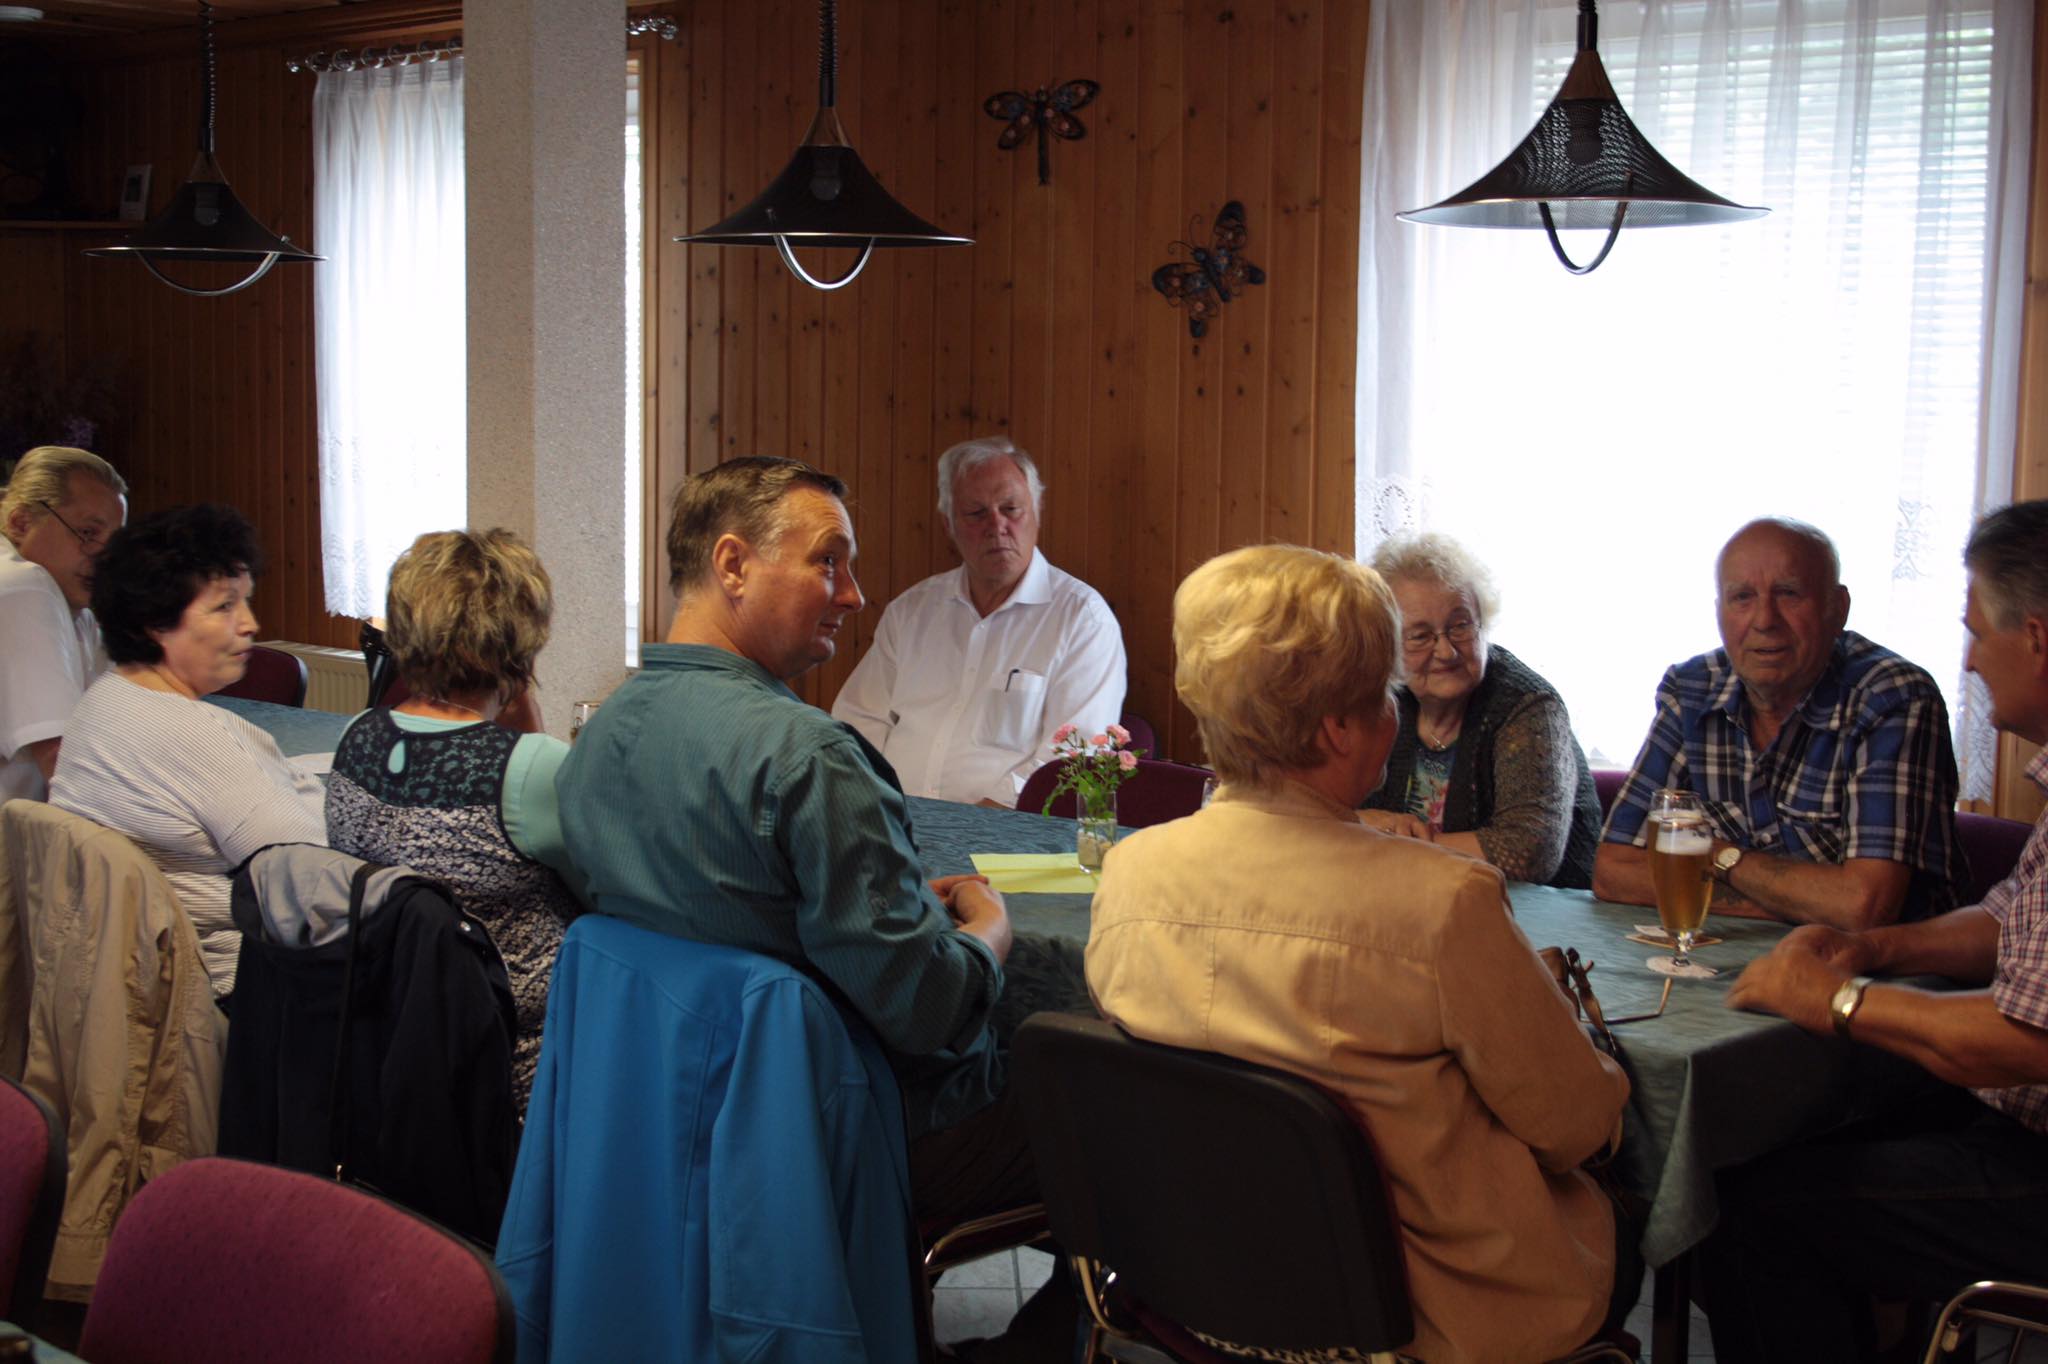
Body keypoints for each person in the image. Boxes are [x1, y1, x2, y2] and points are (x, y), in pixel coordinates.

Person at [1087, 544, 1634, 1364]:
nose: (1397, 708)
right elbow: (1577, 1125)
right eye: (1386, 690)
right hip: (1419, 1322)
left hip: (1196, 1292)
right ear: (1340, 727)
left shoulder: (1129, 874)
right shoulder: (1441, 903)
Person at [1703, 499, 2048, 1362]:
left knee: (1751, 1211)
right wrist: (1875, 950)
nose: (1968, 657)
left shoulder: (1893, 695)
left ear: (2036, 638)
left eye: (1976, 632)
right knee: (1796, 1137)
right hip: (2005, 1121)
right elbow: (2007, 925)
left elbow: (2021, 1041)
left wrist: (1842, 999)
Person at [1594, 517, 1965, 929]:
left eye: (1789, 594)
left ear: (1837, 608)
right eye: (1742, 597)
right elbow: (1614, 871)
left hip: (1881, 975)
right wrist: (1800, 901)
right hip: (1730, 957)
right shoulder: (1693, 689)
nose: (1765, 619)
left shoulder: (1891, 697)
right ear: (1720, 611)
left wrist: (1719, 857)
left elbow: (1863, 906)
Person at [325, 529, 582, 1110]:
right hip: (517, 1061)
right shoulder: (531, 768)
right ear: (522, 642)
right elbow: (609, 893)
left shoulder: (353, 739)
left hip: (386, 1040)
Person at [50, 504, 326, 997]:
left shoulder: (104, 699)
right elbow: (311, 885)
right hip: (236, 990)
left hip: (126, 982)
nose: (250, 625)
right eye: (225, 606)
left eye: (246, 602)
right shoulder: (192, 734)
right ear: (156, 621)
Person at [832, 436, 1128, 806]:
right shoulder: (912, 610)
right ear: (948, 525)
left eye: (1011, 508)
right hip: (892, 822)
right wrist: (874, 805)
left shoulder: (1082, 619)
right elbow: (859, 720)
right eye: (975, 513)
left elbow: (1075, 754)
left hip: (1009, 836)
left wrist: (979, 823)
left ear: (1036, 512)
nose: (997, 525)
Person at [1359, 531, 1602, 888]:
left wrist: (1389, 843)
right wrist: (1367, 823)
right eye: (1420, 635)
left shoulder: (1529, 706)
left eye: (1460, 626)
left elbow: (1528, 853)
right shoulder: (1382, 698)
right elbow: (1319, 812)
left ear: (1483, 621)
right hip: (1419, 900)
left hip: (1543, 916)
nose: (1446, 651)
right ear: (1388, 642)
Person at [0, 445, 127, 802]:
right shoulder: (23, 584)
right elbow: (67, 766)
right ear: (21, 522)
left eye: (113, 544)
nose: (104, 559)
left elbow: (124, 724)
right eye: (87, 533)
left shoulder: (74, 602)